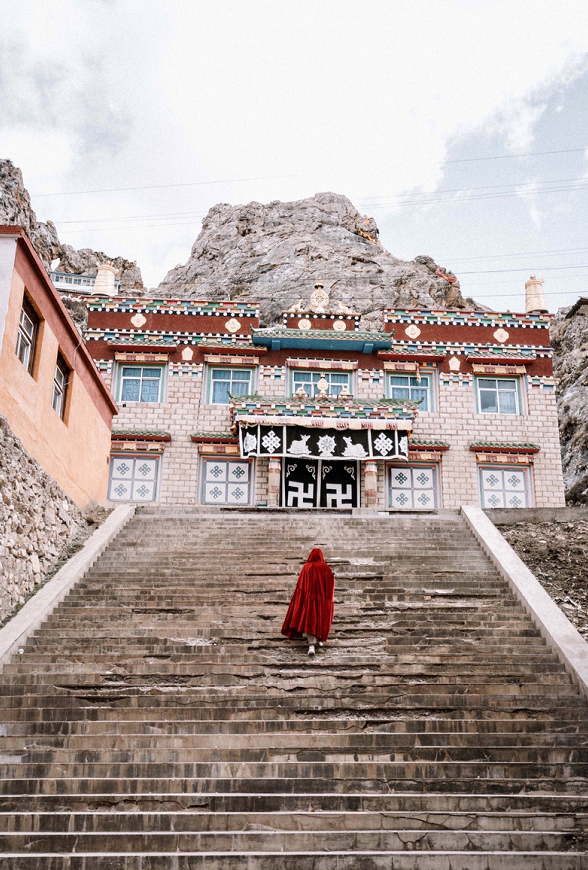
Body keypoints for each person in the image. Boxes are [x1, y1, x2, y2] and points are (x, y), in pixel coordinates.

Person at [281, 548, 335, 655]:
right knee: (319, 619)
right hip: (321, 600)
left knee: (310, 619)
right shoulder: (326, 568)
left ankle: (311, 644)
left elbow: (300, 587)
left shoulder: (306, 567)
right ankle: (318, 640)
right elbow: (330, 584)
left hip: (309, 600)